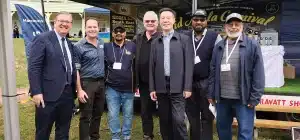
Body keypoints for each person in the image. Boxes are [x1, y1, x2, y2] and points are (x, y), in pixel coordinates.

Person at [207, 13, 265, 140]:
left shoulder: (252, 45)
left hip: (243, 99)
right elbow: (213, 71)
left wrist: (255, 97)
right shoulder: (219, 47)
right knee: (223, 130)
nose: (233, 27)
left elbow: (259, 73)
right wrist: (211, 93)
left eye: (237, 24)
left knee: (245, 132)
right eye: (230, 24)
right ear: (225, 26)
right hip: (222, 99)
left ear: (242, 26)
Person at [28, 11, 76, 140]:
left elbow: (71, 68)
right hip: (47, 96)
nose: (64, 24)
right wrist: (36, 92)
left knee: (63, 132)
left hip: (67, 95)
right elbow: (34, 67)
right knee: (43, 132)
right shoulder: (42, 39)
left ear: (71, 25)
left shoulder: (69, 43)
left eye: (68, 22)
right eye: (62, 21)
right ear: (55, 22)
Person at [149, 7, 194, 140]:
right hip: (161, 86)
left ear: (174, 20)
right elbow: (152, 66)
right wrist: (152, 88)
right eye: (162, 18)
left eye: (168, 18)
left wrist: (187, 87)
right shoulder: (155, 41)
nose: (165, 20)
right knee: (164, 120)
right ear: (159, 21)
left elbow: (189, 64)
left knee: (179, 120)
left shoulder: (184, 39)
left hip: (178, 86)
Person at [184, 9, 222, 140]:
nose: (198, 22)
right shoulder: (185, 36)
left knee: (207, 116)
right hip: (189, 83)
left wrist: (214, 86)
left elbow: (219, 62)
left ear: (206, 21)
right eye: (196, 20)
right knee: (192, 116)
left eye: (202, 19)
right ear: (191, 22)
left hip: (206, 82)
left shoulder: (215, 37)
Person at [74, 18, 105, 140]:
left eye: (94, 27)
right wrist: (79, 89)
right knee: (86, 115)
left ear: (98, 28)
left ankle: (94, 137)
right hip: (87, 84)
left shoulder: (101, 42)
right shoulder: (78, 46)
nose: (92, 29)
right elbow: (76, 70)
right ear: (85, 29)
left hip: (101, 83)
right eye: (89, 27)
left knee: (98, 113)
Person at [104, 23, 136, 140]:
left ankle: (126, 135)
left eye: (121, 31)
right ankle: (116, 136)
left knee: (128, 115)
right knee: (113, 115)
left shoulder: (132, 46)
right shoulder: (106, 47)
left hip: (128, 87)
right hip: (112, 88)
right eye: (116, 31)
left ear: (125, 34)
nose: (118, 33)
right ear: (112, 34)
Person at [133, 11, 160, 140]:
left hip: (161, 82)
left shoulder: (163, 38)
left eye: (153, 21)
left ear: (157, 23)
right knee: (145, 111)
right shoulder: (137, 38)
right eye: (147, 21)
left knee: (165, 112)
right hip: (144, 83)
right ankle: (147, 135)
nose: (150, 23)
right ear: (143, 23)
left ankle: (167, 134)